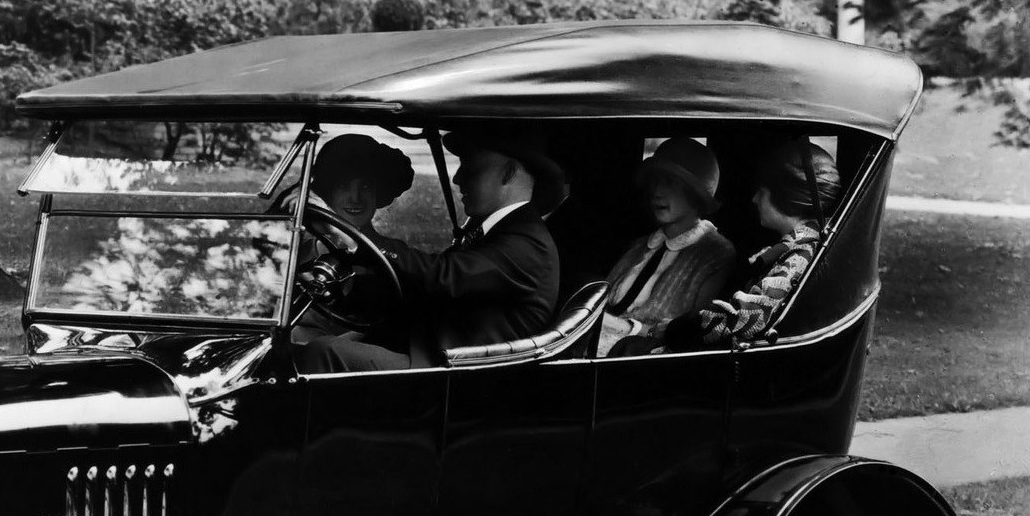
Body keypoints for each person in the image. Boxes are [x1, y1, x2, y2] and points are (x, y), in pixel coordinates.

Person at [295, 127, 562, 372]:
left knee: (324, 352)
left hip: (453, 379)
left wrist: (350, 240)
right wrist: (342, 291)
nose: (458, 178)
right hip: (434, 357)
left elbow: (442, 276)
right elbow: (425, 292)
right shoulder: (496, 232)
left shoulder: (527, 245)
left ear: (508, 172)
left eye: (470, 166)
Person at [664, 140, 842, 351]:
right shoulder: (799, 245)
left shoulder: (800, 254)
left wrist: (672, 330)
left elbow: (745, 318)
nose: (755, 199)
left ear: (783, 194)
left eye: (762, 192)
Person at [597, 138, 735, 357]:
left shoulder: (716, 254)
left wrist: (630, 329)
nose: (657, 192)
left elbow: (691, 332)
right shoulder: (641, 245)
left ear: (695, 193)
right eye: (655, 181)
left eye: (670, 183)